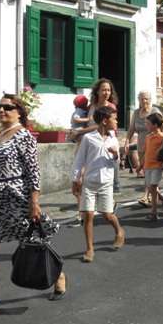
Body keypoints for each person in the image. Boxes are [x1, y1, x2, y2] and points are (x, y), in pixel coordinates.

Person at [0, 95, 62, 321]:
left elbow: (33, 171)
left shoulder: (24, 135)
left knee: (34, 244)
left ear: (19, 112)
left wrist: (34, 201)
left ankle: (58, 275)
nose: (2, 110)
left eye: (8, 107)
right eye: (0, 107)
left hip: (18, 197)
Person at [72, 106, 126, 262]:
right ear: (104, 121)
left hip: (106, 182)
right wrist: (75, 178)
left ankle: (119, 231)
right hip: (89, 181)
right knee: (88, 214)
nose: (116, 121)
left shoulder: (113, 138)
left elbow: (116, 161)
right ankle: (89, 249)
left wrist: (116, 155)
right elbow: (79, 160)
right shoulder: (89, 138)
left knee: (107, 214)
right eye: (114, 119)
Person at [141, 112, 163, 221]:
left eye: (148, 124)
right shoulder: (148, 137)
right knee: (151, 188)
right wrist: (140, 165)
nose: (146, 126)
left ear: (155, 125)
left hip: (157, 166)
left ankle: (154, 212)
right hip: (147, 166)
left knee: (153, 187)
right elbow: (146, 152)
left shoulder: (162, 137)